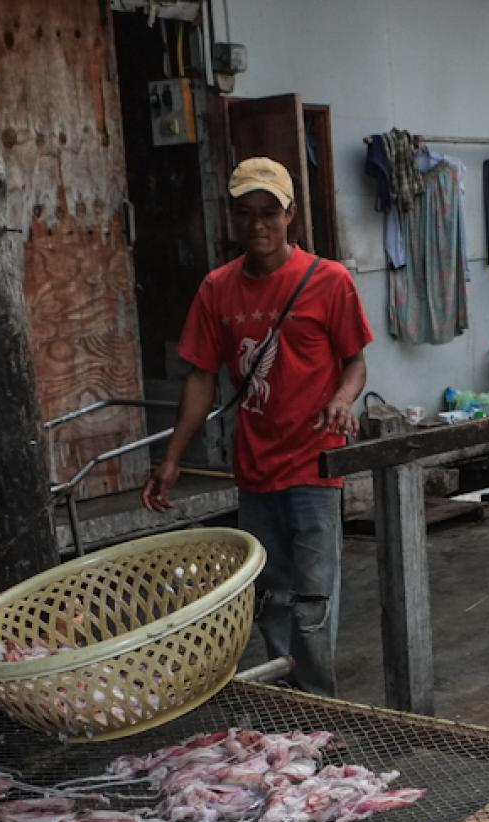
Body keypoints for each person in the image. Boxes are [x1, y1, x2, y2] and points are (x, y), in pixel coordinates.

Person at [143, 157, 372, 697]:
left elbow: (354, 361)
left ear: (290, 213)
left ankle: (319, 713)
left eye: (269, 212)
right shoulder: (217, 289)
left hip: (316, 464)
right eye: (246, 213)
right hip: (254, 469)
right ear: (233, 217)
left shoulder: (329, 281)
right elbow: (201, 377)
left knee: (313, 600)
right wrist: (172, 458)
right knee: (272, 596)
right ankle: (284, 704)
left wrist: (341, 399)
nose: (258, 225)